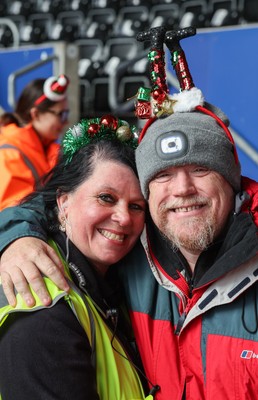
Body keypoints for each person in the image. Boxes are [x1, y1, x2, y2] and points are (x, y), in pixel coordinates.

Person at [1, 28, 258, 399]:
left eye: (201, 170)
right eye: (164, 175)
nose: (182, 189)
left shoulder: (127, 260)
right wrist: (16, 236)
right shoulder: (128, 263)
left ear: (231, 181)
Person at [0, 115, 151, 399]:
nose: (123, 218)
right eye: (106, 197)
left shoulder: (118, 278)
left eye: (136, 206)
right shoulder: (42, 307)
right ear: (63, 201)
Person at [0, 74, 70, 210]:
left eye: (67, 113)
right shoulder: (9, 154)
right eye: (61, 114)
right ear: (36, 114)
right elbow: (15, 212)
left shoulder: (49, 148)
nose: (66, 121)